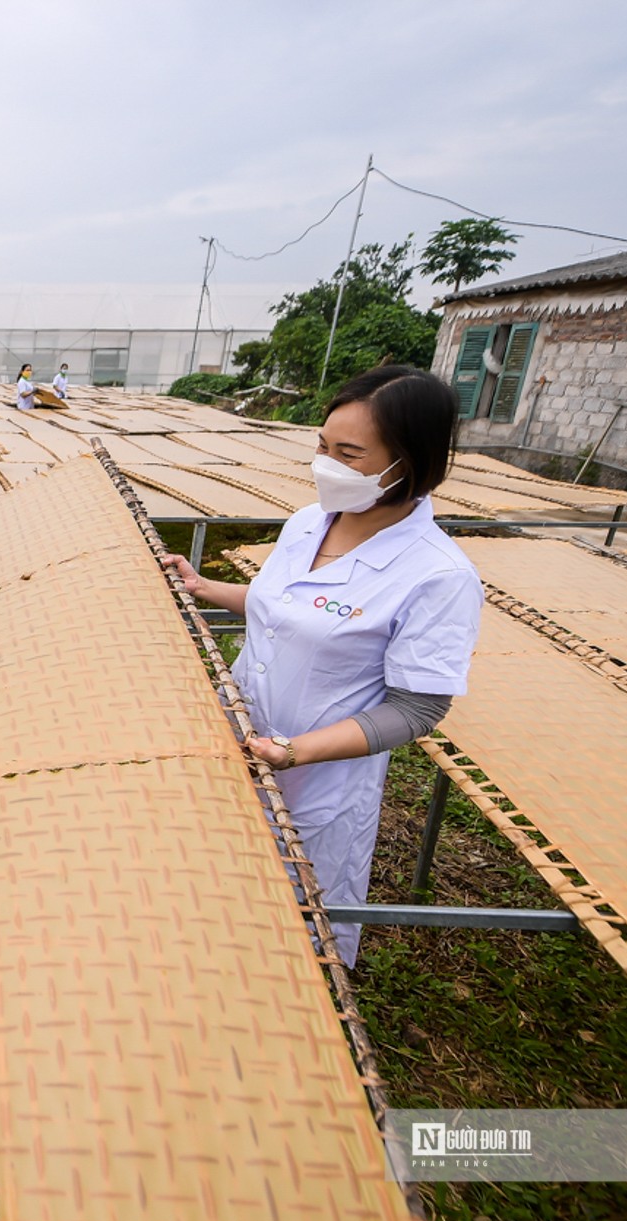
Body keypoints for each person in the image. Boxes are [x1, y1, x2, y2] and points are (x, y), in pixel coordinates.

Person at [164, 366, 482, 966]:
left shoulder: (438, 574)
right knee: (224, 878)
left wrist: (299, 750)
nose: (326, 465)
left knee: (298, 907)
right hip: (238, 733)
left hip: (318, 776)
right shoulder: (308, 522)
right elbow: (280, 604)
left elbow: (418, 708)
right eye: (322, 446)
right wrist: (206, 586)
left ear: (407, 461)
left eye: (349, 453)